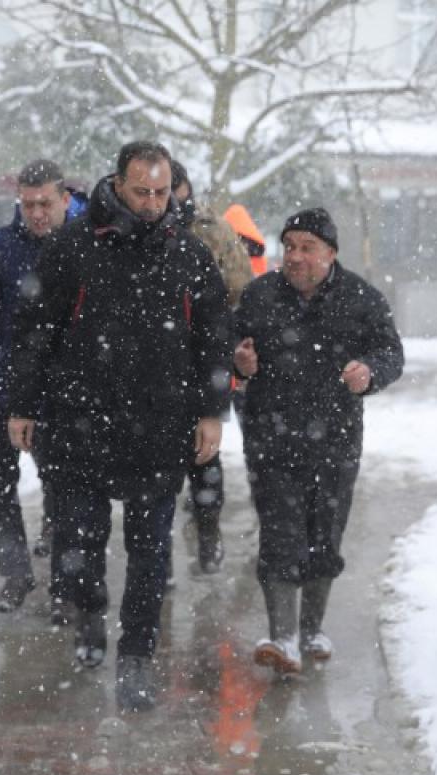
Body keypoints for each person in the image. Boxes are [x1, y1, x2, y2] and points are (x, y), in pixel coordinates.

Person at [7, 140, 232, 712]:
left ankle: (136, 655)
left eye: (161, 192)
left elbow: (212, 336)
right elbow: (35, 329)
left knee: (150, 550)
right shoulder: (72, 247)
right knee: (79, 542)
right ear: (118, 183)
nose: (153, 203)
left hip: (159, 427)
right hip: (78, 422)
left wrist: (211, 410)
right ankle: (89, 616)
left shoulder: (189, 252)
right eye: (142, 191)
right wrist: (23, 404)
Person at [233, 208, 403, 674]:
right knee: (280, 537)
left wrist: (368, 373)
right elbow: (230, 346)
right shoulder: (260, 296)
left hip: (336, 441)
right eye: (290, 247)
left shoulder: (361, 300)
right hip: (272, 439)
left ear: (331, 252)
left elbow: (391, 353)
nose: (295, 257)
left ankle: (312, 629)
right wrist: (238, 364)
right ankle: (283, 636)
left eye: (308, 247)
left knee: (324, 539)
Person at [0, 160, 87, 615]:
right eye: (28, 204)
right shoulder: (1, 246)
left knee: (63, 485)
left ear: (64, 199)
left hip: (64, 388)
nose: (37, 213)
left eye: (45, 203)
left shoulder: (84, 243)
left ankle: (64, 587)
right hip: (9, 383)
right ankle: (15, 572)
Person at [169, 160, 253, 574]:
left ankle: (208, 532)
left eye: (172, 186)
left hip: (201, 358)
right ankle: (157, 557)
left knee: (204, 457)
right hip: (153, 365)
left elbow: (239, 285)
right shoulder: (133, 227)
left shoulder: (212, 229)